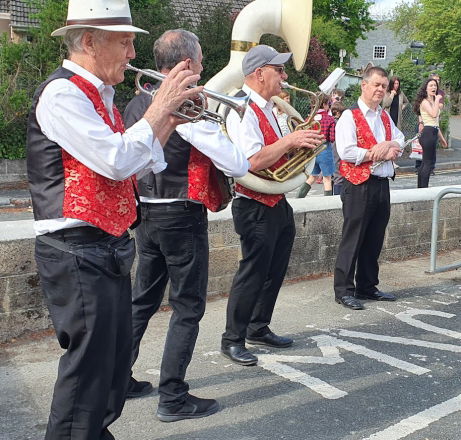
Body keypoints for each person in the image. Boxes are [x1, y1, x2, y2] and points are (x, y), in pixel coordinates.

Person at [26, 1, 202, 439]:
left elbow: (136, 164)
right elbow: (116, 160)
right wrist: (160, 107)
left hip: (102, 247)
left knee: (110, 368)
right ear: (89, 42)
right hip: (76, 249)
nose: (132, 54)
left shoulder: (98, 95)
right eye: (124, 42)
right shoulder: (62, 94)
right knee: (88, 373)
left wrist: (169, 118)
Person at [123, 29, 249, 422]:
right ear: (188, 63)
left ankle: (117, 380)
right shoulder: (186, 103)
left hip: (145, 214)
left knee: (142, 301)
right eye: (201, 61)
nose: (203, 67)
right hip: (180, 214)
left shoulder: (136, 102)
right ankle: (173, 397)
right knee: (187, 307)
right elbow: (237, 164)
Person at [221, 45, 324, 366]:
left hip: (276, 200)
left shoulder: (268, 108)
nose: (284, 75)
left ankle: (258, 326)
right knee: (252, 273)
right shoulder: (243, 108)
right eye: (278, 70)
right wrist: (290, 141)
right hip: (253, 204)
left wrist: (300, 144)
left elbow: (276, 151)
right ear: (259, 74)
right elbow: (252, 160)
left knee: (275, 269)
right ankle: (232, 339)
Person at [333, 66, 404, 311]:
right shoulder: (349, 116)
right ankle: (344, 290)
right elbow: (346, 151)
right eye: (376, 85)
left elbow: (400, 139)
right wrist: (376, 153)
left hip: (381, 184)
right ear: (364, 85)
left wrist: (390, 144)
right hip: (358, 185)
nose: (380, 90)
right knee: (353, 239)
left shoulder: (383, 115)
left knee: (374, 238)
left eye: (384, 86)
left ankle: (367, 286)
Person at [297, 94, 336, 197]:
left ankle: (298, 197)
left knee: (312, 177)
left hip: (312, 151)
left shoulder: (308, 119)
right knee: (327, 179)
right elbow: (332, 138)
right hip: (325, 150)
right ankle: (328, 202)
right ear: (325, 104)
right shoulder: (330, 119)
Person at [413, 78, 444, 188]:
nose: (434, 87)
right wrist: (437, 100)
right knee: (428, 163)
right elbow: (434, 114)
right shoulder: (425, 102)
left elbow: (435, 123)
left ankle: (421, 188)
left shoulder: (432, 102)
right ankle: (423, 189)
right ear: (426, 88)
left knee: (425, 163)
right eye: (431, 85)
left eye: (435, 85)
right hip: (428, 133)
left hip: (432, 132)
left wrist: (442, 138)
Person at [330, 101, 346, 195]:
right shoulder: (340, 122)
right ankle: (337, 196)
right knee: (338, 175)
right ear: (339, 113)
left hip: (330, 148)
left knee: (332, 176)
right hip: (337, 147)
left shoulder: (330, 121)